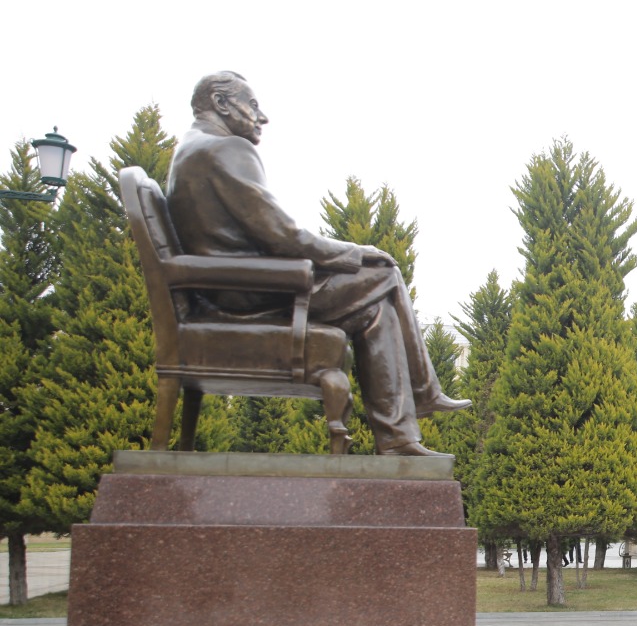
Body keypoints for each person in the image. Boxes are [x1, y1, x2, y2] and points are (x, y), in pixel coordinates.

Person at [166, 72, 467, 455]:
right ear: (221, 103)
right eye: (253, 105)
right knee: (385, 273)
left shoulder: (190, 149)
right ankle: (419, 400)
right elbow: (283, 235)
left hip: (226, 288)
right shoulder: (226, 149)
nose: (263, 117)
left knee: (374, 308)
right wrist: (354, 252)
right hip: (250, 291)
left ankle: (400, 437)